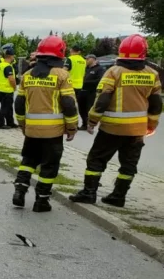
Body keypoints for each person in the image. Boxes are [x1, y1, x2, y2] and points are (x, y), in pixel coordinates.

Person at [69, 34, 161, 207]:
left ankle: (89, 193)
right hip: (137, 131)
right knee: (129, 164)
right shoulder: (152, 74)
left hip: (112, 129)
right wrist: (151, 125)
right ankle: (119, 196)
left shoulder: (113, 72)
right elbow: (156, 104)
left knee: (96, 159)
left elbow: (103, 99)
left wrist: (92, 121)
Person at [12, 36, 79, 212]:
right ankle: (41, 201)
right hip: (53, 132)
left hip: (32, 130)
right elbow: (69, 104)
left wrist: (22, 124)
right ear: (60, 53)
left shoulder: (27, 76)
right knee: (49, 165)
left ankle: (20, 190)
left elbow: (19, 104)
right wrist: (72, 127)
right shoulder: (62, 75)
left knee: (28, 160)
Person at [66, 44, 88, 129]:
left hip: (69, 85)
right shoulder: (83, 60)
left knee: (68, 105)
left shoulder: (70, 59)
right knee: (76, 105)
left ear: (71, 50)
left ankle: (70, 124)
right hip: (80, 86)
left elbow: (64, 71)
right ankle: (76, 123)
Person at [80, 54, 103, 129]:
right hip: (82, 91)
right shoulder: (85, 68)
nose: (86, 60)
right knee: (81, 109)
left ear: (93, 59)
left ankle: (90, 125)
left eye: (87, 59)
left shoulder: (99, 69)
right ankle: (84, 124)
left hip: (91, 92)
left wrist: (86, 82)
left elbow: (100, 80)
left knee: (89, 109)